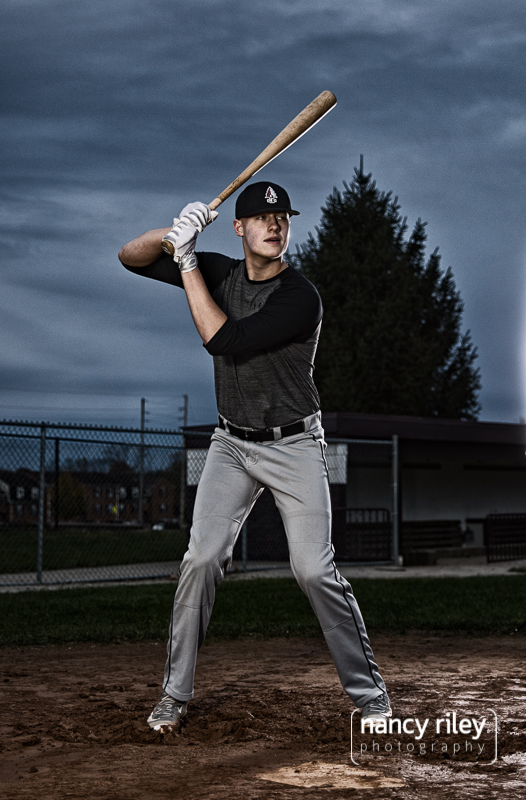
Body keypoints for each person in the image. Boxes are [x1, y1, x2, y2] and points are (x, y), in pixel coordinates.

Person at [118, 181, 391, 734]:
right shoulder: (221, 272)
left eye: (282, 217)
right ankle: (174, 694)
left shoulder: (300, 296)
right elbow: (130, 257)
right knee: (200, 560)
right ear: (240, 229)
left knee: (314, 569)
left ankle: (371, 696)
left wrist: (188, 260)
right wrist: (173, 233)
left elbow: (224, 340)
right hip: (232, 445)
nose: (275, 225)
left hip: (294, 444)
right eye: (263, 218)